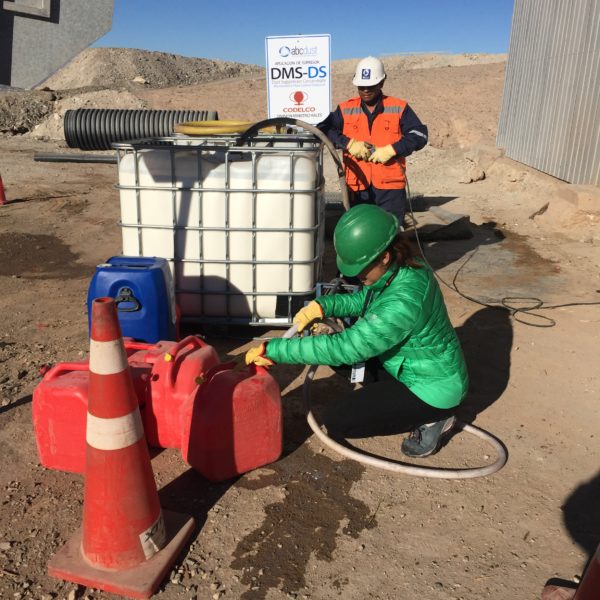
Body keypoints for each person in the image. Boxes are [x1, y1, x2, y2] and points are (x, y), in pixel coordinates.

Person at [244, 204, 469, 458]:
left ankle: (436, 418)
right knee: (342, 363)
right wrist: (323, 306)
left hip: (434, 388)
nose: (356, 275)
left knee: (339, 421)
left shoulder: (403, 302)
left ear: (383, 256)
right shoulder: (402, 267)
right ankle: (397, 400)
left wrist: (275, 349)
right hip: (413, 365)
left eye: (360, 268)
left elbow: (346, 347)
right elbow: (365, 300)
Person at [318, 56, 428, 226]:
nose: (365, 91)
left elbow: (420, 135)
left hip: (390, 187)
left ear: (382, 83)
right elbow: (323, 127)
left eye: (370, 86)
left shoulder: (398, 107)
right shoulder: (345, 109)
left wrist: (392, 149)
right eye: (361, 87)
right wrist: (348, 144)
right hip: (357, 186)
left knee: (389, 232)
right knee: (361, 233)